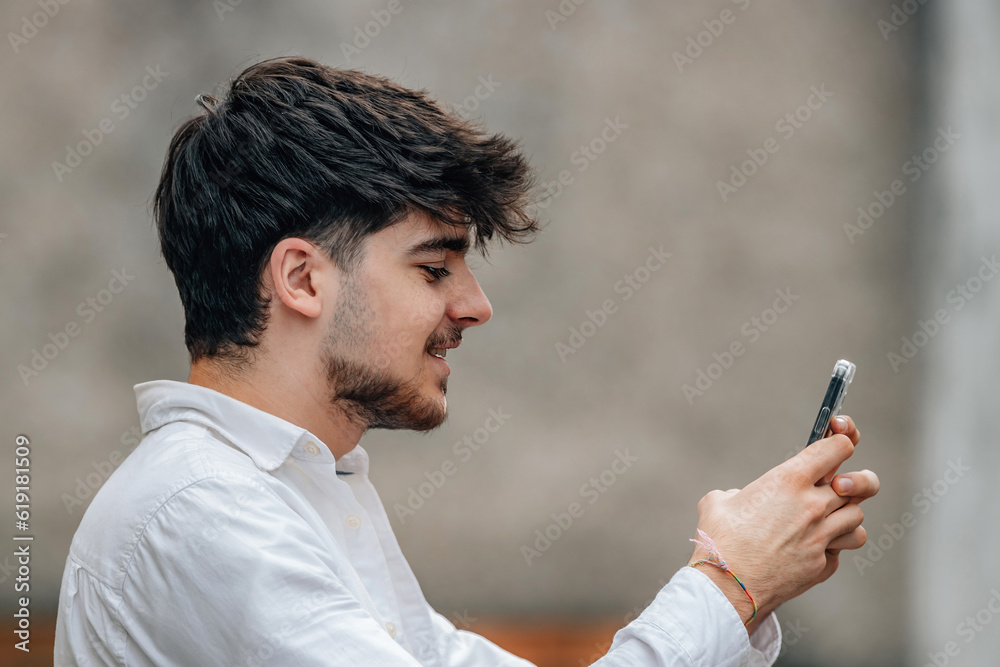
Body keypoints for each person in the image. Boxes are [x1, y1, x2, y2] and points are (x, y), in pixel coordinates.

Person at [54, 56, 879, 666]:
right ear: (302, 278)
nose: (474, 305)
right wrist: (729, 583)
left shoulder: (296, 487)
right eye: (433, 267)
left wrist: (748, 580)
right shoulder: (205, 512)